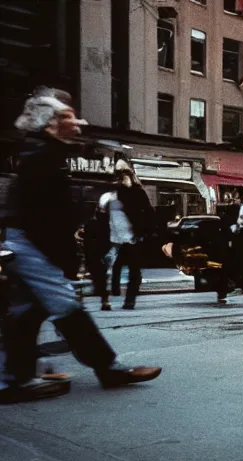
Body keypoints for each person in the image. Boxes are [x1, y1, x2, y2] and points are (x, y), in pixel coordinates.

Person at [0, 87, 161, 404]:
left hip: (27, 243)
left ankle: (13, 377)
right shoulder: (44, 157)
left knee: (26, 312)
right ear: (50, 125)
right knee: (68, 307)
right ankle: (109, 369)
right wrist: (62, 261)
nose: (78, 122)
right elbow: (45, 218)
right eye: (68, 116)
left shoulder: (43, 153)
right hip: (33, 246)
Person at [100, 161, 154, 310]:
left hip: (128, 239)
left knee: (127, 270)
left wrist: (141, 233)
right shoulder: (113, 193)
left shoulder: (131, 192)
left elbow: (148, 214)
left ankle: (124, 299)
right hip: (117, 239)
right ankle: (111, 298)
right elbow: (102, 215)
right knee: (114, 269)